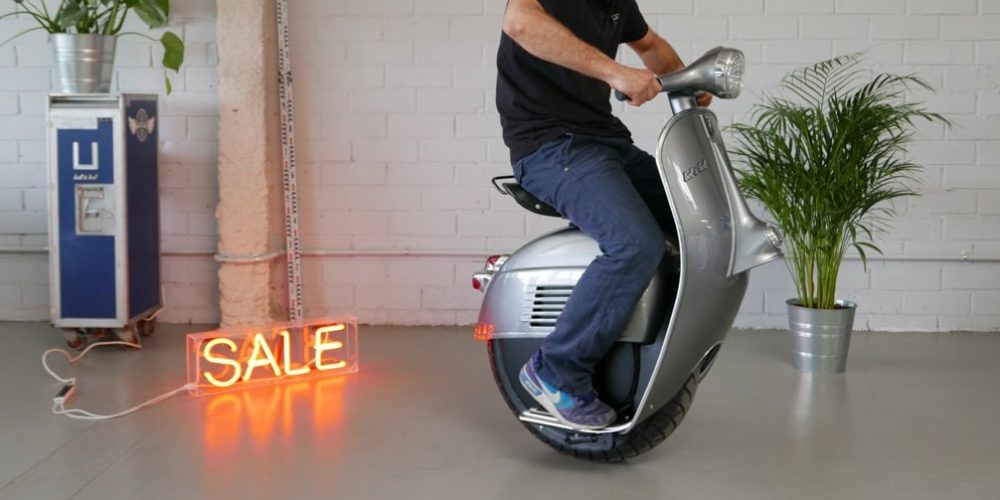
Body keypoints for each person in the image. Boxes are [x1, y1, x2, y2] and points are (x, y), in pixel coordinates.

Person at [496, 0, 710, 430]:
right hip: (549, 146)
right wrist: (616, 73)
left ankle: (654, 344)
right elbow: (519, 22)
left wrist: (688, 82)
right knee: (635, 245)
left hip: (606, 141)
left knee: (696, 225)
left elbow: (650, 45)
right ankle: (555, 371)